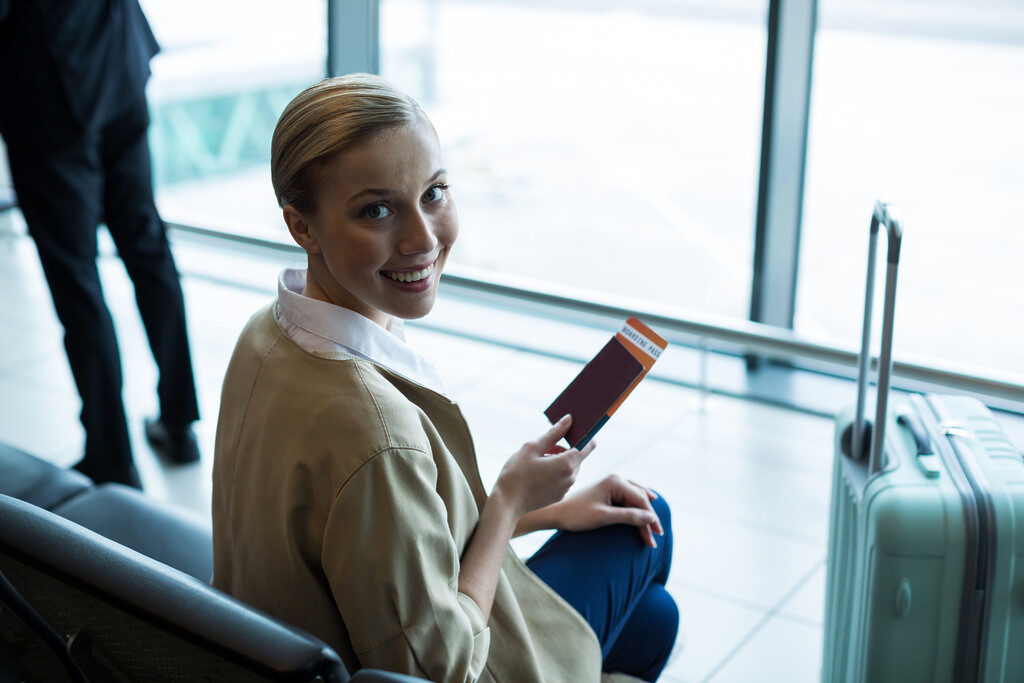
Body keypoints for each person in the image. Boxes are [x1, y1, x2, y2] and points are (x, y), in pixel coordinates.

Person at [211, 74, 678, 682]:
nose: (422, 239)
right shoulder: (375, 432)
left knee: (652, 615)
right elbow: (439, 668)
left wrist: (544, 511)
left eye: (433, 193)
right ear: (301, 227)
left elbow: (373, 537)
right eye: (376, 210)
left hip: (282, 644)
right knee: (652, 528)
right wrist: (509, 500)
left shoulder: (265, 334)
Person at [0, 0, 201, 486]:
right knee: (146, 245)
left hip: (47, 83)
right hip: (117, 58)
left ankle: (112, 455)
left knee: (76, 276)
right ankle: (178, 421)